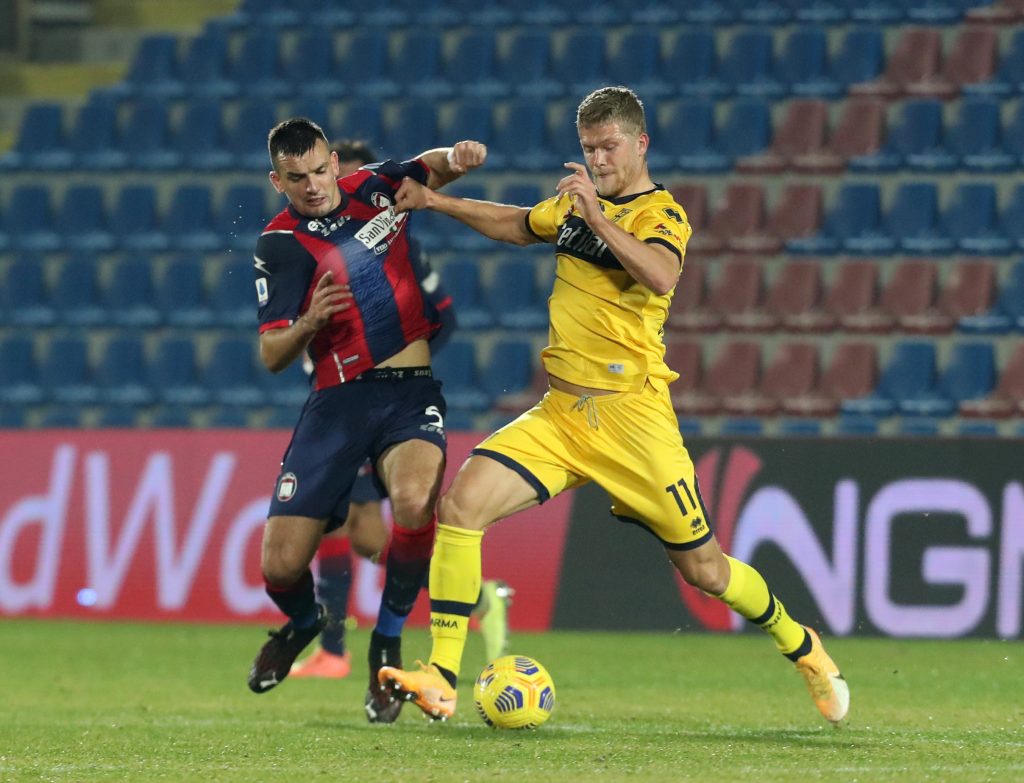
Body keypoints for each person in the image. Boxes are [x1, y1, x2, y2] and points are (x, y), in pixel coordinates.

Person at [377, 87, 850, 726]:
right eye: (589, 148)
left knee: (706, 571)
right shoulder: (575, 207)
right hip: (561, 415)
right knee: (460, 507)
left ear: (640, 143)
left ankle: (801, 645)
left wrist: (598, 218)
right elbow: (518, 224)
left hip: (633, 421)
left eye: (609, 147)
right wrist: (437, 201)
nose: (598, 159)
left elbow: (660, 275)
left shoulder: (663, 214)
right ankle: (441, 674)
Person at [246, 117, 487, 726]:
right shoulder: (278, 245)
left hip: (409, 392)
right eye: (296, 178)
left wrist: (458, 154)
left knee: (414, 501)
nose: (312, 185)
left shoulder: (376, 187)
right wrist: (307, 323)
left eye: (319, 170)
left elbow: (433, 166)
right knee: (280, 566)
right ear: (277, 181)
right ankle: (305, 623)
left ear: (334, 162)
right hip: (336, 403)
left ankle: (386, 641)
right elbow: (271, 355)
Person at [288, 139, 513, 691]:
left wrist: (391, 361)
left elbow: (444, 318)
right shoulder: (306, 242)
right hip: (341, 400)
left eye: (339, 178)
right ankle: (336, 648)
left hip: (390, 401)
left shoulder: (393, 243)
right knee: (350, 529)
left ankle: (474, 599)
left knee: (368, 530)